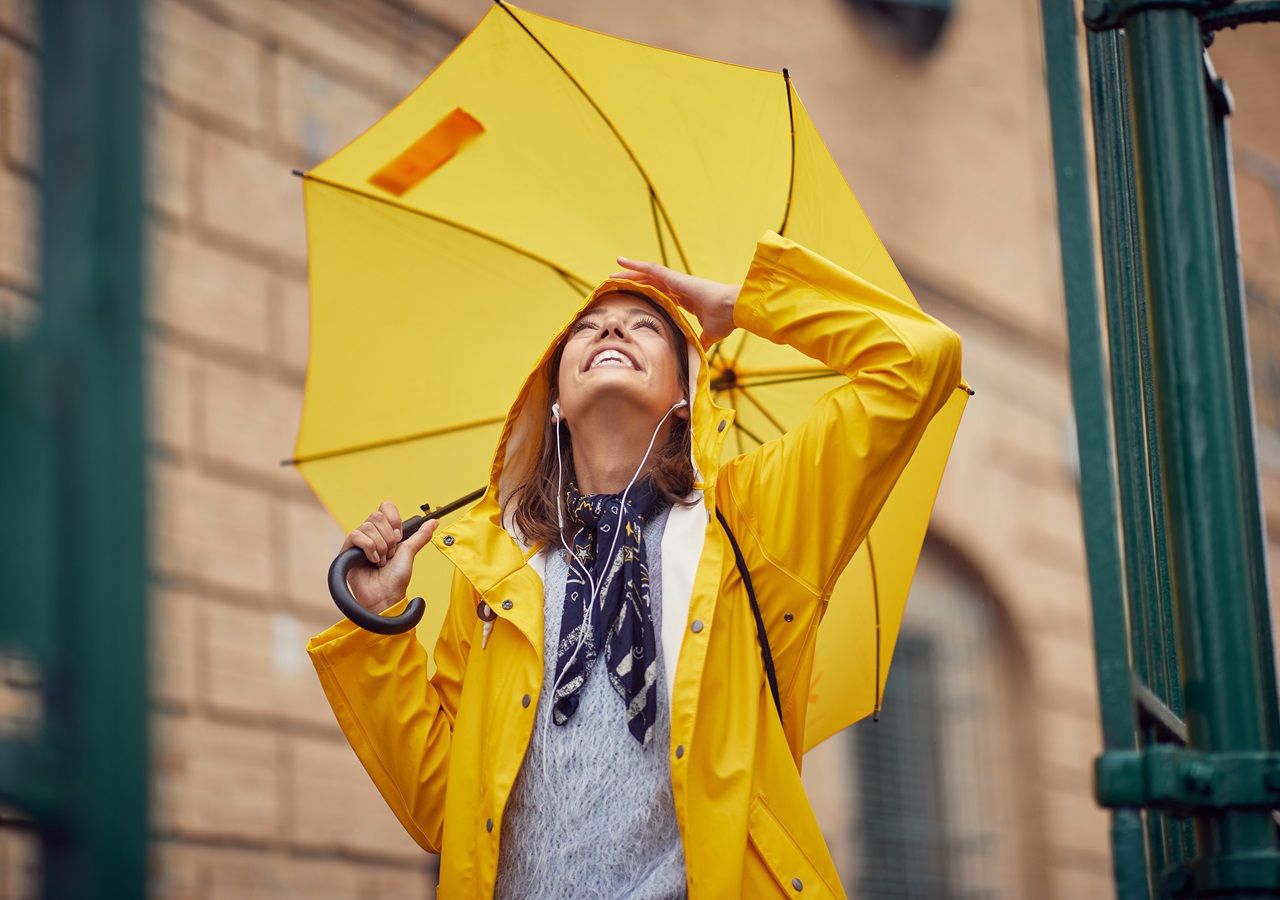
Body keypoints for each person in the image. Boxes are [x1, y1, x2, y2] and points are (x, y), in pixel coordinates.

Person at [306, 231, 963, 898]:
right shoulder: (494, 570)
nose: (612, 326)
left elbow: (917, 361)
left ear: (686, 393)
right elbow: (445, 806)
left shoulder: (753, 524)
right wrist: (379, 622)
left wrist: (743, 305)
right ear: (554, 401)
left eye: (645, 325)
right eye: (585, 329)